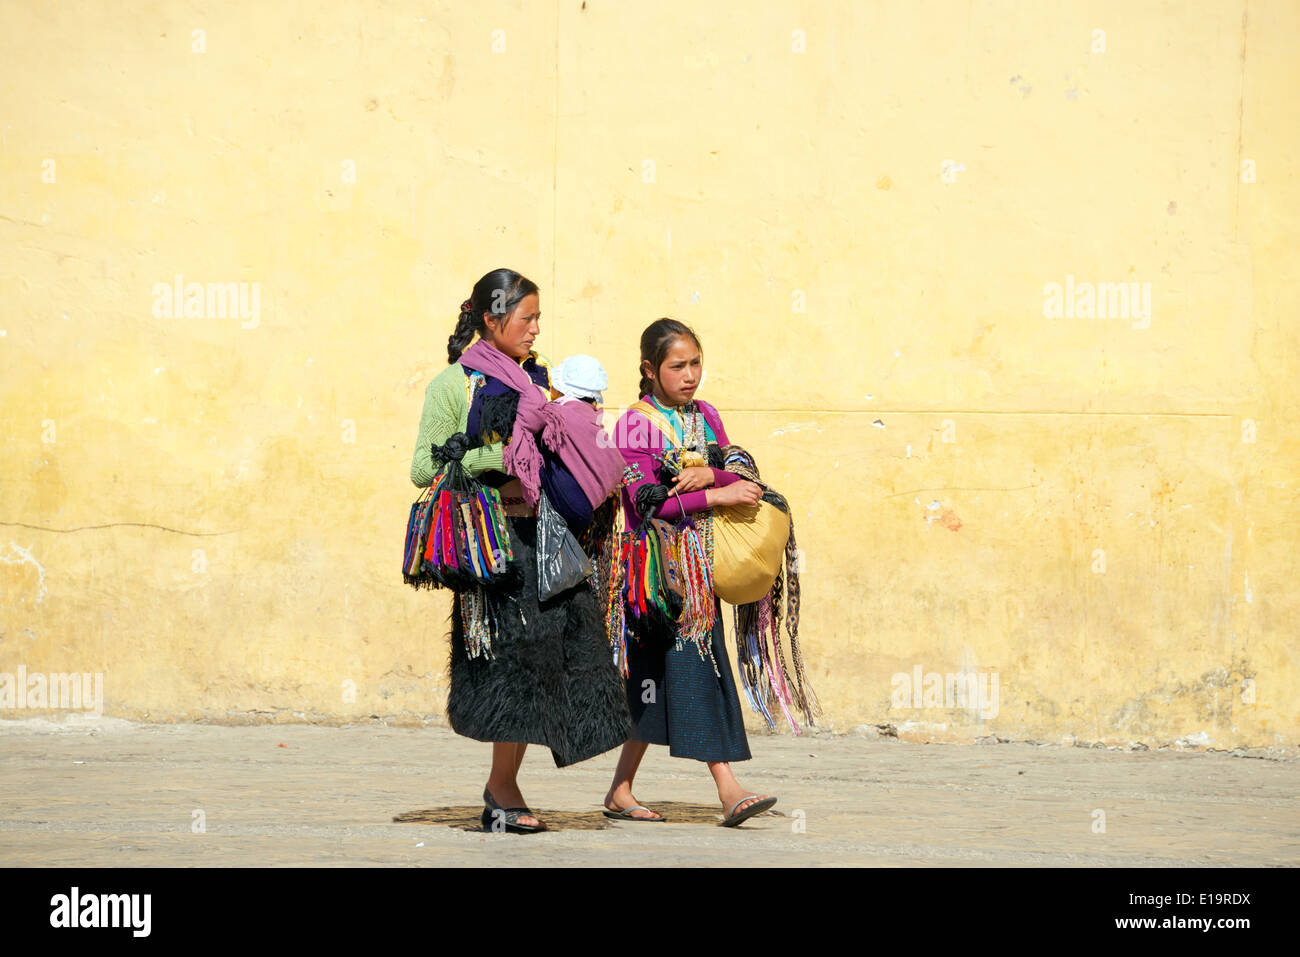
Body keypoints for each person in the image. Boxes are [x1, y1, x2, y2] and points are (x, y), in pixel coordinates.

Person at [410, 268, 630, 833]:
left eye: (538, 319)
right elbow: (423, 468)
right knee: (512, 661)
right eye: (526, 317)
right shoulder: (452, 387)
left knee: (552, 658)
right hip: (493, 547)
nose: (535, 329)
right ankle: (502, 789)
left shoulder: (539, 383)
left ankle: (503, 782)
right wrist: (496, 459)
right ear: (492, 318)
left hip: (545, 538)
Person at [601, 318, 777, 827]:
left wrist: (712, 475)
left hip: (698, 568)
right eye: (678, 366)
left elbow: (742, 470)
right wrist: (715, 493)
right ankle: (728, 788)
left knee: (654, 679)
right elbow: (645, 501)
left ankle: (620, 790)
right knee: (694, 666)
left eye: (696, 363)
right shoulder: (633, 426)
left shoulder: (705, 415)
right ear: (649, 369)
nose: (690, 375)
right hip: (654, 573)